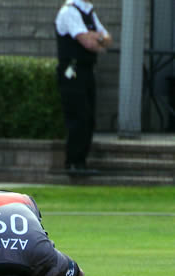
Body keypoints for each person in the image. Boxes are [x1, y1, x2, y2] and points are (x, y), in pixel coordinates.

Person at [55, 0, 112, 175]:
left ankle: (81, 162)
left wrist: (97, 38)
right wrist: (97, 38)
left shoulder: (89, 12)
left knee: (88, 118)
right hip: (72, 71)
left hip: (87, 71)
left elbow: (108, 40)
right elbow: (88, 43)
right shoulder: (69, 11)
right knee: (78, 116)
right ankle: (72, 162)